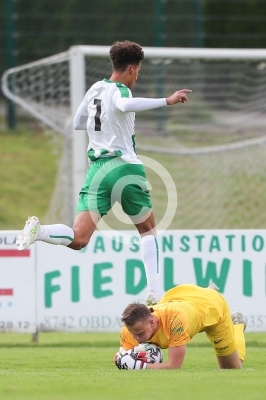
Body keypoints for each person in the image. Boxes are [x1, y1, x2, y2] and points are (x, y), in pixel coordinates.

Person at [16, 40, 192, 306]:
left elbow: (78, 122)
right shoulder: (121, 91)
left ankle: (40, 231)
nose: (138, 75)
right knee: (147, 231)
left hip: (97, 171)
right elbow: (123, 105)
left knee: (79, 238)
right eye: (139, 70)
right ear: (132, 68)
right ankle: (154, 289)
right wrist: (167, 100)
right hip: (123, 167)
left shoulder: (95, 88)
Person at [115, 284, 246, 369]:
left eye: (140, 334)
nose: (136, 338)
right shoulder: (130, 329)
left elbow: (174, 366)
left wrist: (140, 366)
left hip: (211, 308)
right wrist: (121, 360)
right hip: (179, 298)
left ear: (151, 322)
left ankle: (237, 325)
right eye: (133, 334)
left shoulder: (175, 320)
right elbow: (123, 357)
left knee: (233, 368)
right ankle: (205, 292)